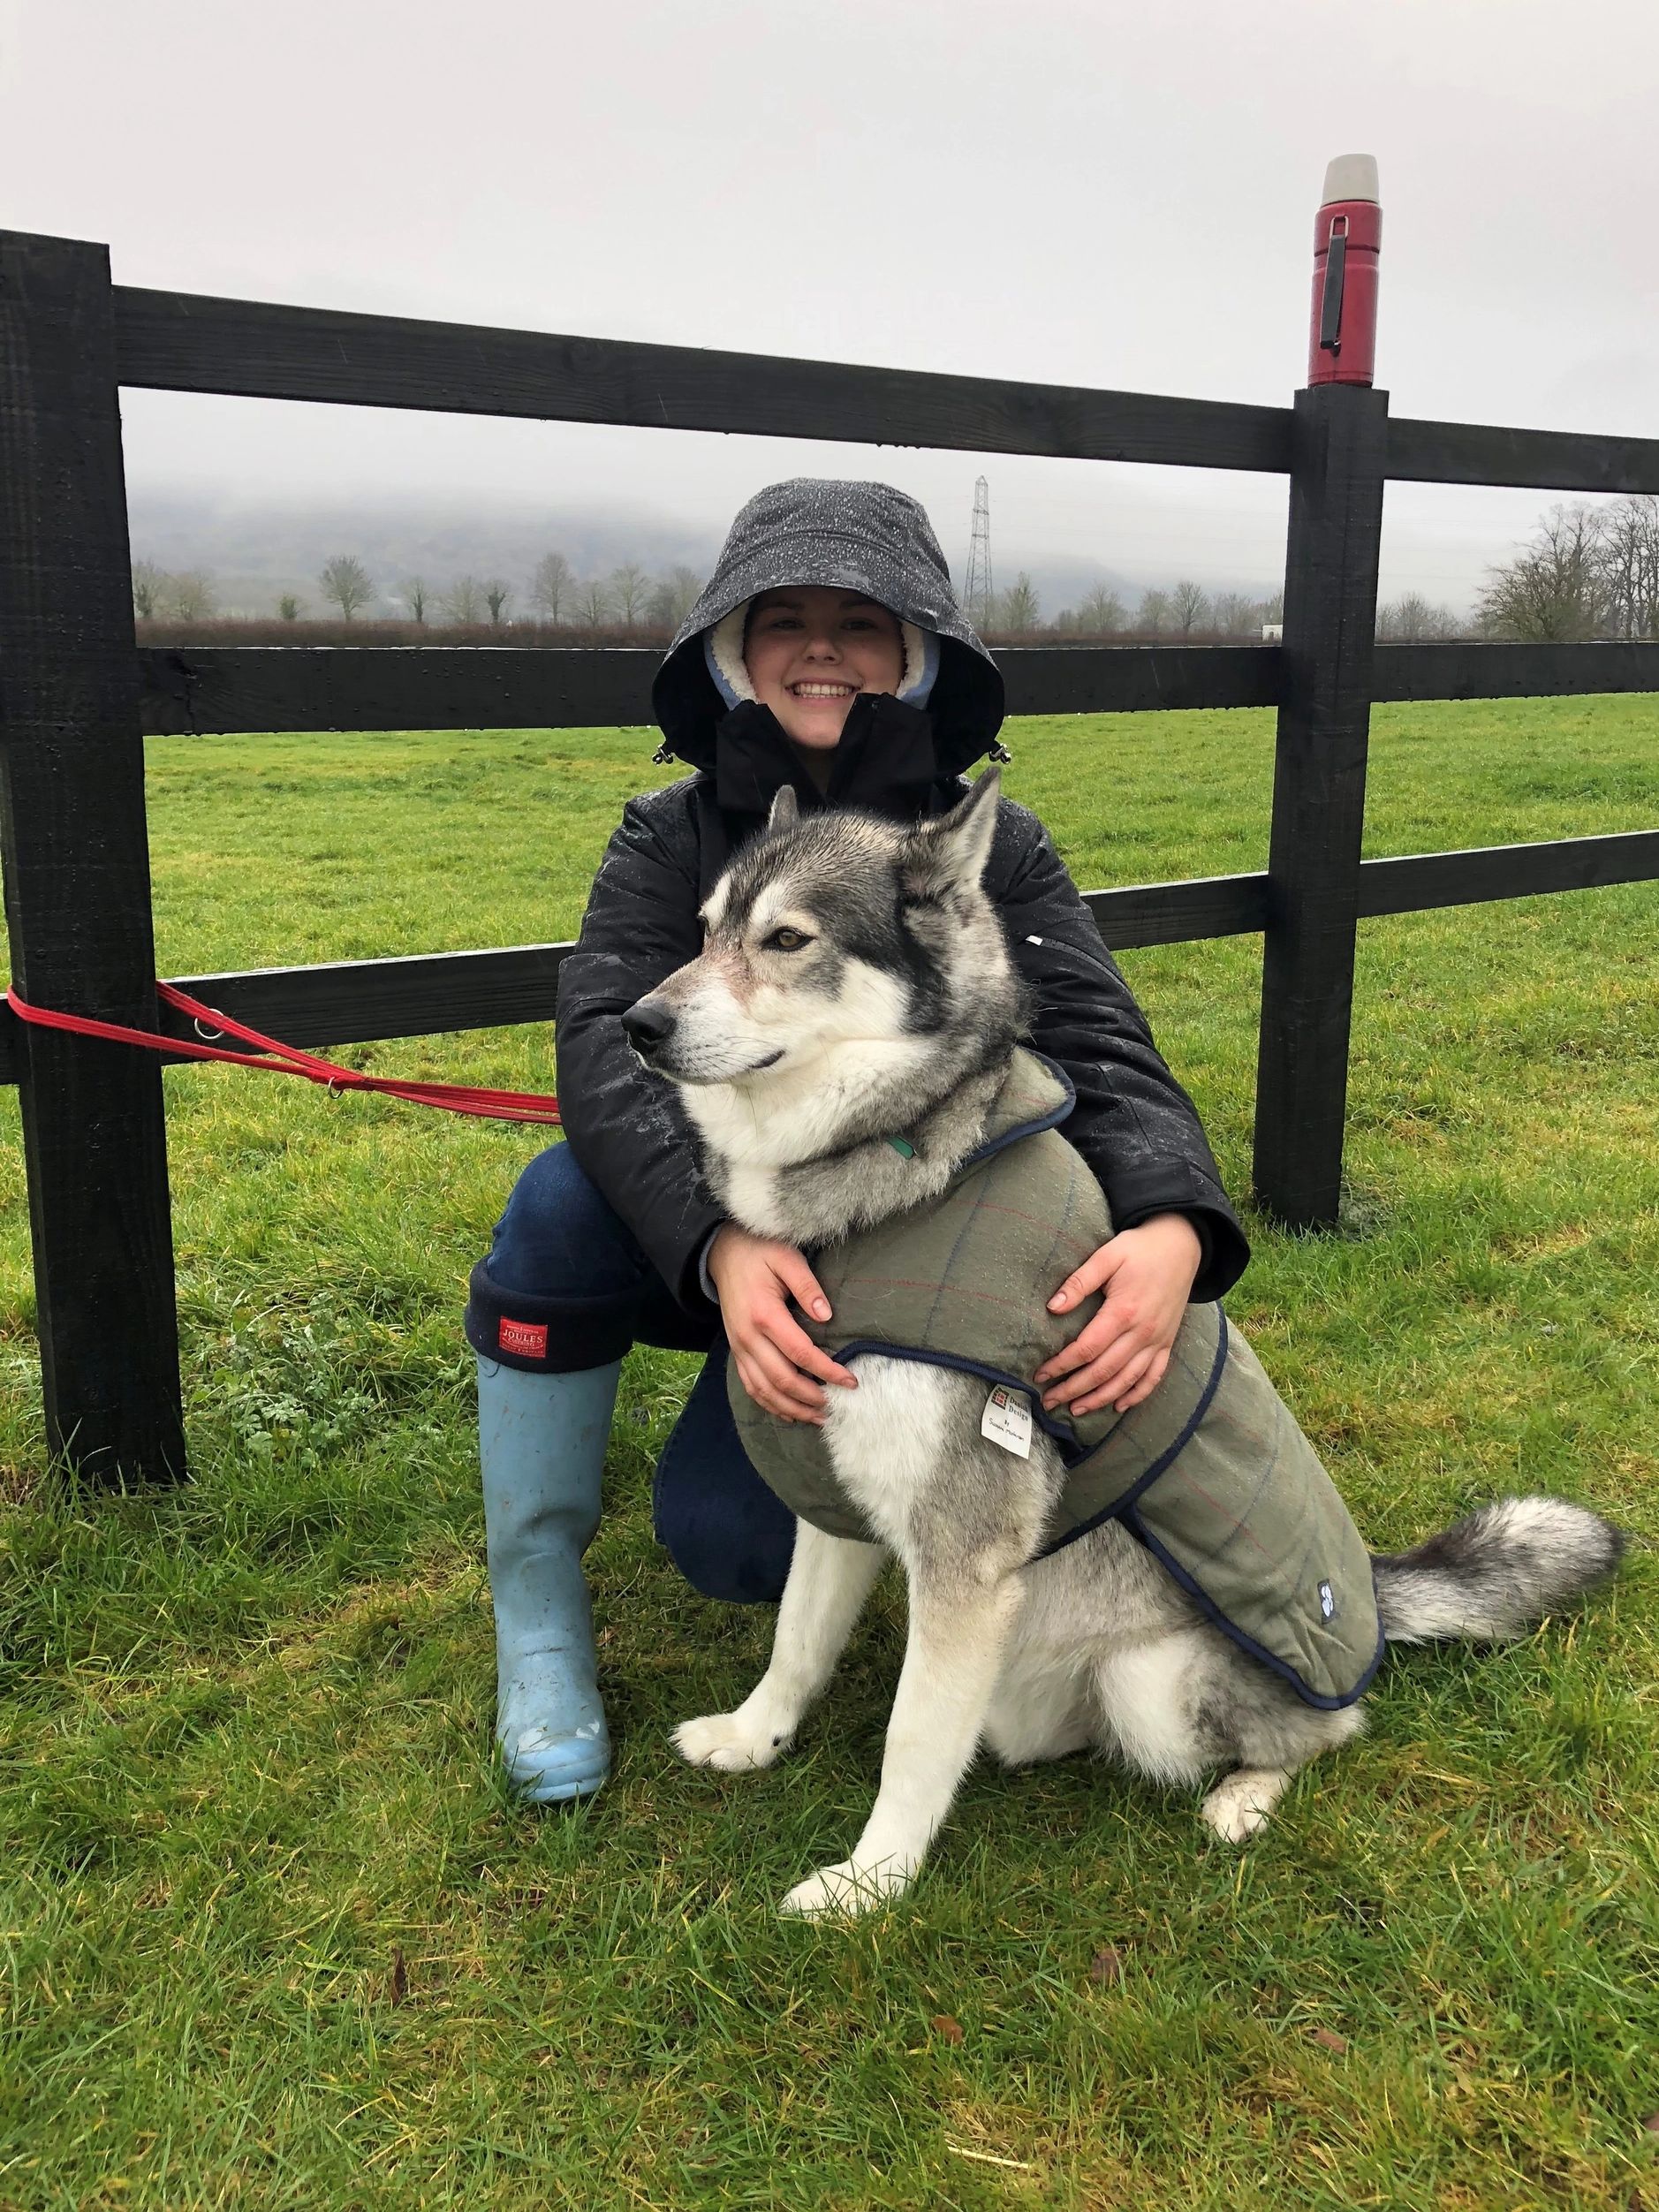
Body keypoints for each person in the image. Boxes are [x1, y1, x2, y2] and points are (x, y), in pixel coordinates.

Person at [463, 478, 1249, 1803]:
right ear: (731, 649)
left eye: (857, 622)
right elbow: (604, 1042)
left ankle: (925, 1512)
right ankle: (535, 1610)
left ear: (915, 654)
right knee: (553, 1205)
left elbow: (1105, 1048)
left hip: (909, 1244)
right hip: (734, 1225)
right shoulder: (668, 831)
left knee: (739, 1548)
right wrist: (715, 1246)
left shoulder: (996, 851)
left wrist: (1174, 1226)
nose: (818, 647)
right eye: (784, 618)